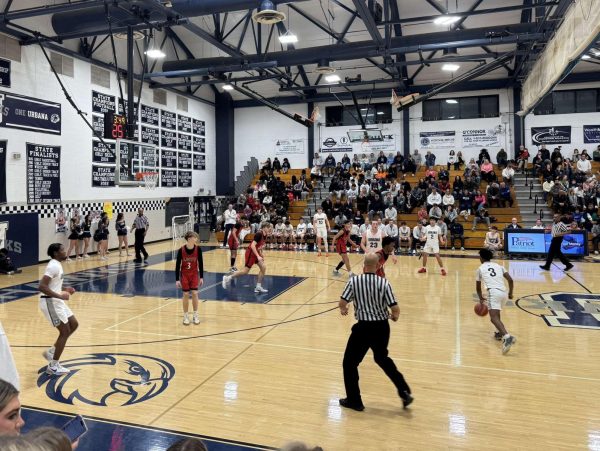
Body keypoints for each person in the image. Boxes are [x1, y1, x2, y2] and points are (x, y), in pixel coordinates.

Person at [338, 253, 413, 411]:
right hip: (381, 328)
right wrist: (394, 317)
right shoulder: (384, 283)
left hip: (363, 328)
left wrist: (344, 309)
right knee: (382, 359)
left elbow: (342, 302)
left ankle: (354, 400)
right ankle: (404, 391)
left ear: (363, 266)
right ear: (379, 266)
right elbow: (395, 310)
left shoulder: (354, 281)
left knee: (349, 363)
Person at [39, 243, 78, 376]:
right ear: (56, 253)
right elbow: (42, 287)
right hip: (50, 302)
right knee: (65, 331)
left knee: (74, 324)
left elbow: (53, 285)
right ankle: (53, 366)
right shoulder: (53, 266)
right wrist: (60, 295)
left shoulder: (57, 264)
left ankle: (52, 351)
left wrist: (65, 290)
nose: (65, 251)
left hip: (57, 301)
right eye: (62, 250)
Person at [476, 248, 516, 354]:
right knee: (497, 314)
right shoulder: (499, 266)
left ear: (481, 258)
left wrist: (480, 298)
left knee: (493, 318)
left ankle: (507, 337)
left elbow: (478, 288)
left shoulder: (480, 269)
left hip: (493, 292)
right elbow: (511, 280)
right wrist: (511, 293)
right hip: (504, 293)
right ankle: (499, 333)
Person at [222, 222, 272, 293]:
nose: (269, 228)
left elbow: (260, 245)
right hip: (250, 253)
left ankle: (258, 286)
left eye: (269, 227)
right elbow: (252, 245)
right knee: (245, 271)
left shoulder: (265, 235)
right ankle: (227, 278)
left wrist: (261, 254)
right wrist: (258, 256)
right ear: (263, 227)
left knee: (263, 268)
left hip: (256, 253)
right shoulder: (259, 234)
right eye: (267, 227)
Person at [175, 232, 204, 326]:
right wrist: (177, 279)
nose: (196, 239)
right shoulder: (181, 250)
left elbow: (201, 263)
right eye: (195, 237)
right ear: (190, 238)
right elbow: (177, 266)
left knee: (195, 293)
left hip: (194, 274)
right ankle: (186, 316)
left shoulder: (198, 249)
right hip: (185, 275)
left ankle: (195, 315)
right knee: (186, 294)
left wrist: (201, 277)